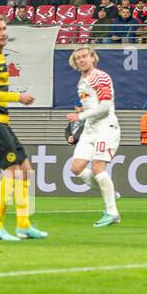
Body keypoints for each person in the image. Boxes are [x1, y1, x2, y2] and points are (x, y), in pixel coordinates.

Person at [0, 12, 46, 241]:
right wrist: (18, 97)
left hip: (1, 121)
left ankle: (23, 225)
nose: (3, 33)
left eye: (5, 29)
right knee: (12, 173)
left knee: (25, 171)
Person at [64, 46, 121, 227]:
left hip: (106, 126)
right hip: (90, 129)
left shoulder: (100, 76)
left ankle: (112, 213)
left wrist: (79, 116)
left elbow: (105, 107)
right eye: (78, 58)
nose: (81, 60)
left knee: (98, 168)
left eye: (84, 56)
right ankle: (112, 193)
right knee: (76, 168)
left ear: (92, 58)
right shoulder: (82, 80)